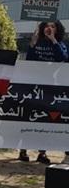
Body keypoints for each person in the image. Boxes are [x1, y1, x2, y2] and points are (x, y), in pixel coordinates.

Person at [19, 20, 69, 163]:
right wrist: (33, 43)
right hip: (33, 88)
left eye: (53, 27)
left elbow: (62, 58)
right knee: (29, 118)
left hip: (50, 89)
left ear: (57, 30)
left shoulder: (61, 44)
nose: (49, 28)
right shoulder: (37, 42)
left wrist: (53, 40)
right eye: (47, 26)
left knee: (45, 119)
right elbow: (29, 60)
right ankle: (23, 150)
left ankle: (42, 153)